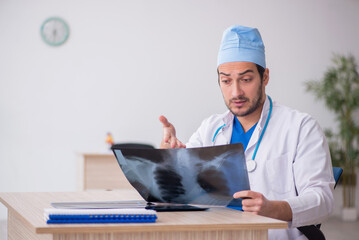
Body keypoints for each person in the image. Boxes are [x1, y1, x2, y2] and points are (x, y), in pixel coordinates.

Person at [159, 25, 334, 239]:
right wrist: (168, 158)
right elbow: (180, 188)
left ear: (265, 77)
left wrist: (275, 209)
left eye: (246, 79)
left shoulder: (300, 127)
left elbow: (323, 201)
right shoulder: (210, 129)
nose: (236, 92)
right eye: (226, 81)